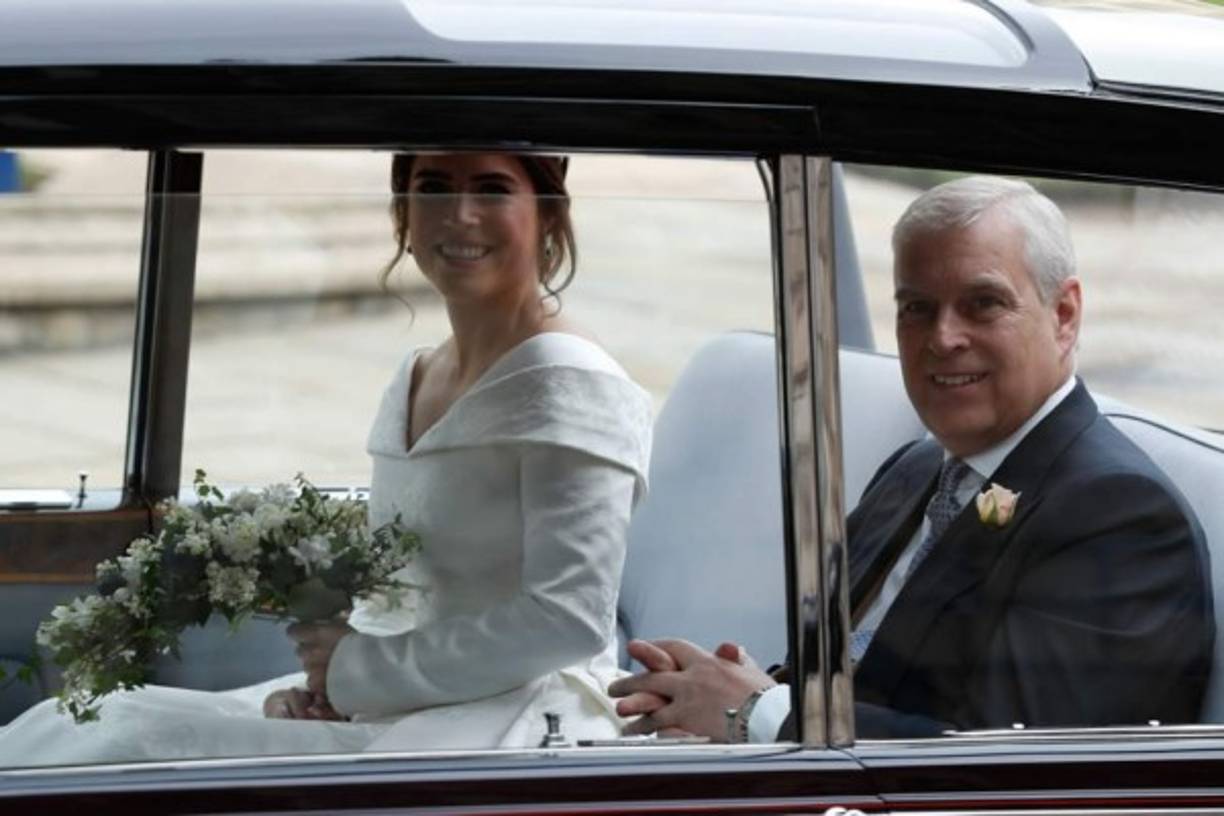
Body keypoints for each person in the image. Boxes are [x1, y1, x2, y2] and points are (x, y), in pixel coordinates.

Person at [0, 152, 652, 765]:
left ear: (549, 212)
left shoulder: (569, 379)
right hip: (410, 698)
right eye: (431, 188)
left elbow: (566, 619)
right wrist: (324, 691)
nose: (459, 214)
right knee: (82, 723)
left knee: (127, 746)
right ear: (403, 212)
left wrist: (355, 675)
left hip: (513, 719)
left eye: (492, 188)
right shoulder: (420, 372)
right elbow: (406, 586)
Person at [609, 175, 1213, 741]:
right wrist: (706, 695)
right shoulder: (917, 469)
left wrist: (760, 714)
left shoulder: (1120, 518)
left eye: (983, 304)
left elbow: (1015, 768)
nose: (942, 338)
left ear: (1064, 315)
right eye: (915, 308)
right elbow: (839, 677)